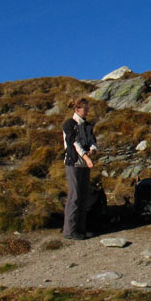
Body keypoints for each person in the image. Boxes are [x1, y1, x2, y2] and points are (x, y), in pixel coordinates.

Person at [62, 98, 98, 240]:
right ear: (77, 109)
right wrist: (87, 158)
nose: (87, 111)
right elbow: (73, 143)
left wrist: (93, 149)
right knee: (74, 196)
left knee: (84, 196)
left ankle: (81, 229)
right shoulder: (69, 124)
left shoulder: (87, 125)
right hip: (74, 163)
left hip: (84, 165)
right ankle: (69, 231)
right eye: (85, 108)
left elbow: (92, 140)